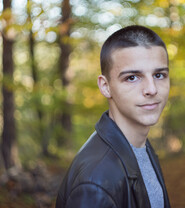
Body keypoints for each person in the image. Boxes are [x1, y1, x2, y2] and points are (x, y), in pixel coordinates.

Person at [56, 25, 171, 208]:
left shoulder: (141, 147)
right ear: (105, 86)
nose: (151, 89)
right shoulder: (95, 183)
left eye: (159, 75)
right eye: (132, 77)